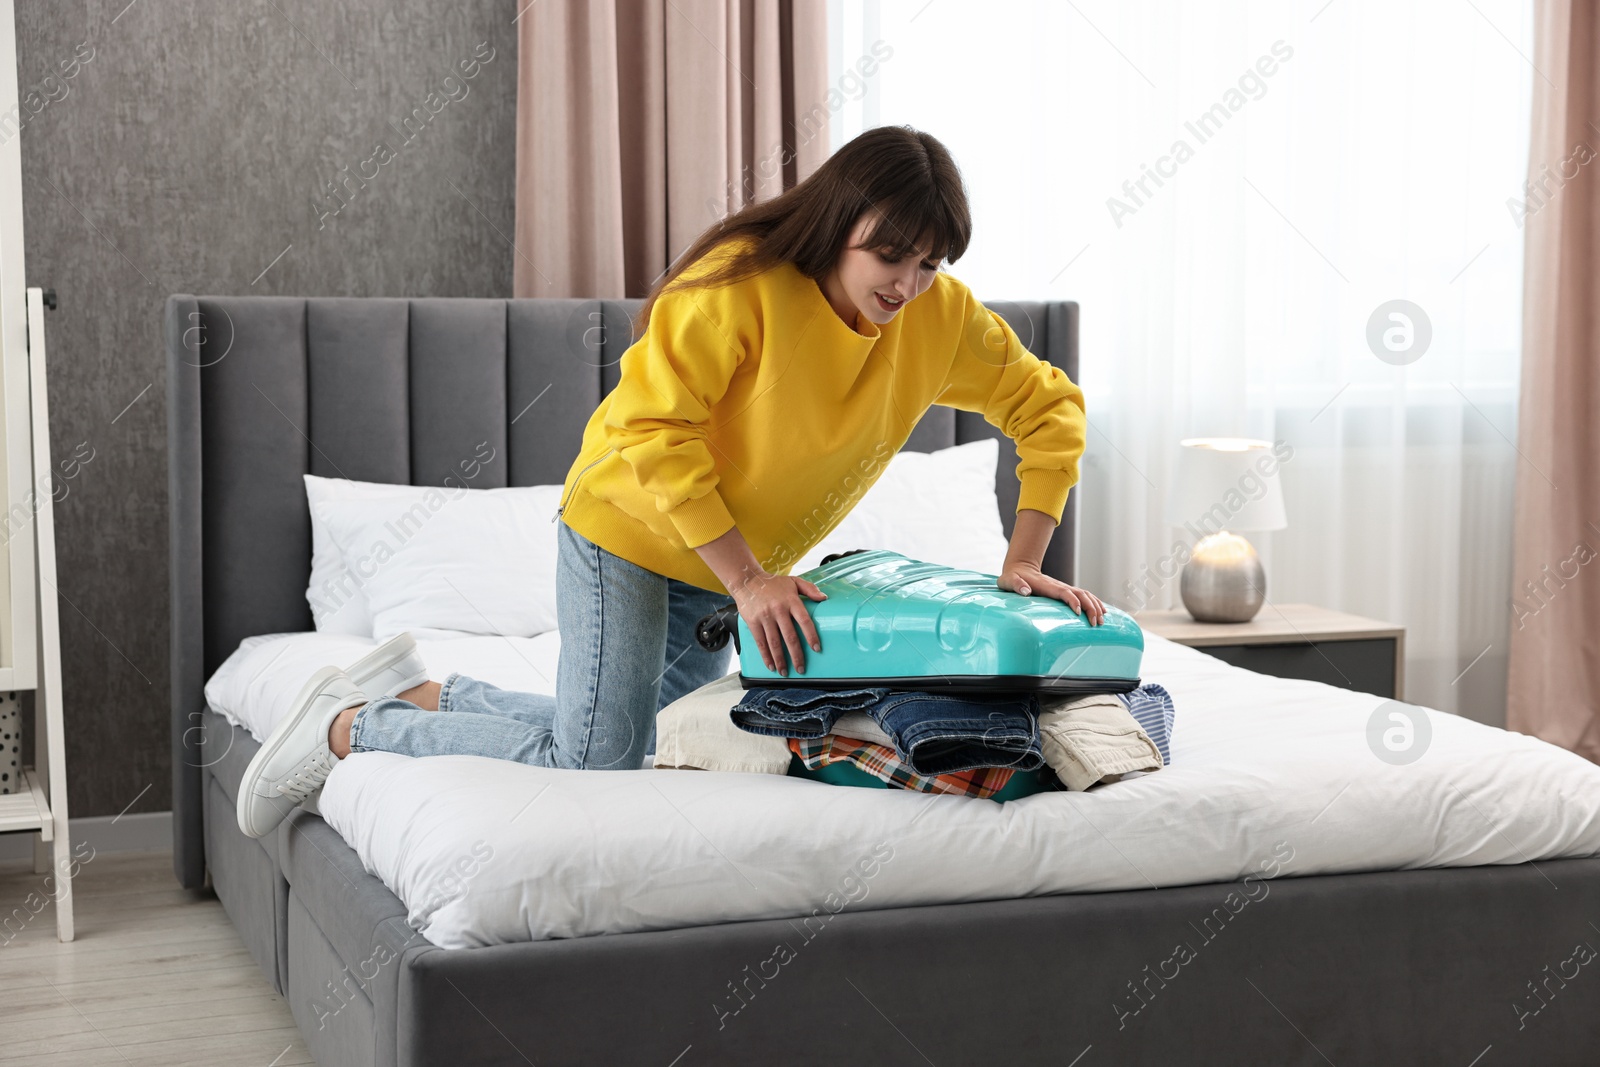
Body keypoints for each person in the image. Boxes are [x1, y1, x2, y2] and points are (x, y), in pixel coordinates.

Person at [236, 124, 1104, 838]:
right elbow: (656, 429)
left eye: (930, 263)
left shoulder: (939, 321)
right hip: (628, 529)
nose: (908, 285)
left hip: (728, 576)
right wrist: (752, 581)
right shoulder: (739, 286)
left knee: (639, 733)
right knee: (600, 760)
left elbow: (1050, 408)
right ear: (841, 221)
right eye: (891, 256)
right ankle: (352, 723)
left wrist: (1023, 558)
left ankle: (436, 691)